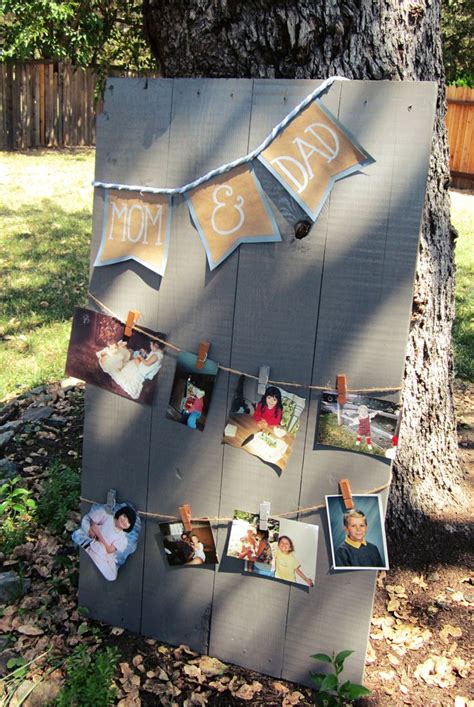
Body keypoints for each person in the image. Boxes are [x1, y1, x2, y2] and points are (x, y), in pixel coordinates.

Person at [80, 505, 137, 581]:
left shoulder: (122, 538)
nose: (125, 521)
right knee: (97, 548)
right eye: (124, 516)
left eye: (129, 522)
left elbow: (110, 550)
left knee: (112, 576)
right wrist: (92, 529)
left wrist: (99, 535)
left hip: (107, 554)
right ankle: (90, 551)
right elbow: (93, 523)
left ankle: (93, 555)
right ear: (120, 513)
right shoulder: (108, 518)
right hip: (96, 545)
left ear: (130, 526)